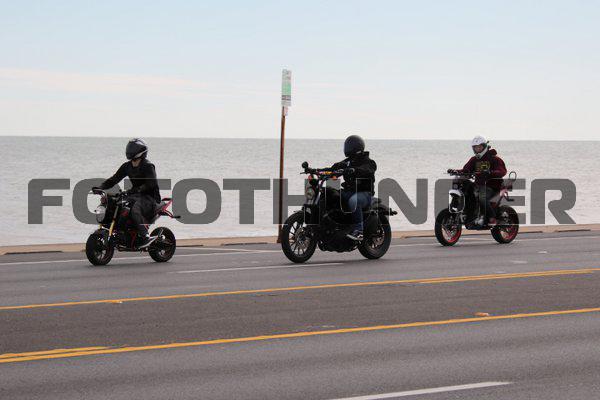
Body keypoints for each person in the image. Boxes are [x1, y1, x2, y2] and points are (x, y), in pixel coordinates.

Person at [94, 138, 161, 248]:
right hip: (136, 195)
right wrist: (100, 188)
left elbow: (151, 184)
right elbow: (114, 179)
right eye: (129, 148)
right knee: (115, 204)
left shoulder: (148, 166)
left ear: (140, 151)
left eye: (132, 148)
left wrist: (136, 190)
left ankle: (145, 236)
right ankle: (121, 232)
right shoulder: (127, 166)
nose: (130, 150)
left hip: (150, 198)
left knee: (134, 209)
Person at [331, 135, 377, 241]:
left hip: (364, 194)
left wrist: (354, 170)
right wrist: (315, 170)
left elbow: (367, 169)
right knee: (331, 195)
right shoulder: (348, 162)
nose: (347, 148)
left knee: (354, 201)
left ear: (356, 147)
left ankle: (359, 231)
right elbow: (333, 169)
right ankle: (336, 226)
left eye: (349, 146)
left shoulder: (368, 162)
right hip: (349, 191)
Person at [459, 135, 507, 226]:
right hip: (479, 185)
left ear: (484, 147)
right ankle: (468, 214)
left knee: (482, 197)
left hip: (492, 187)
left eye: (479, 147)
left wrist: (490, 172)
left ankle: (492, 218)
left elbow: (502, 171)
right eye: (475, 147)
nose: (477, 149)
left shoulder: (495, 159)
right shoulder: (474, 159)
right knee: (465, 191)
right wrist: (456, 171)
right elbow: (466, 170)